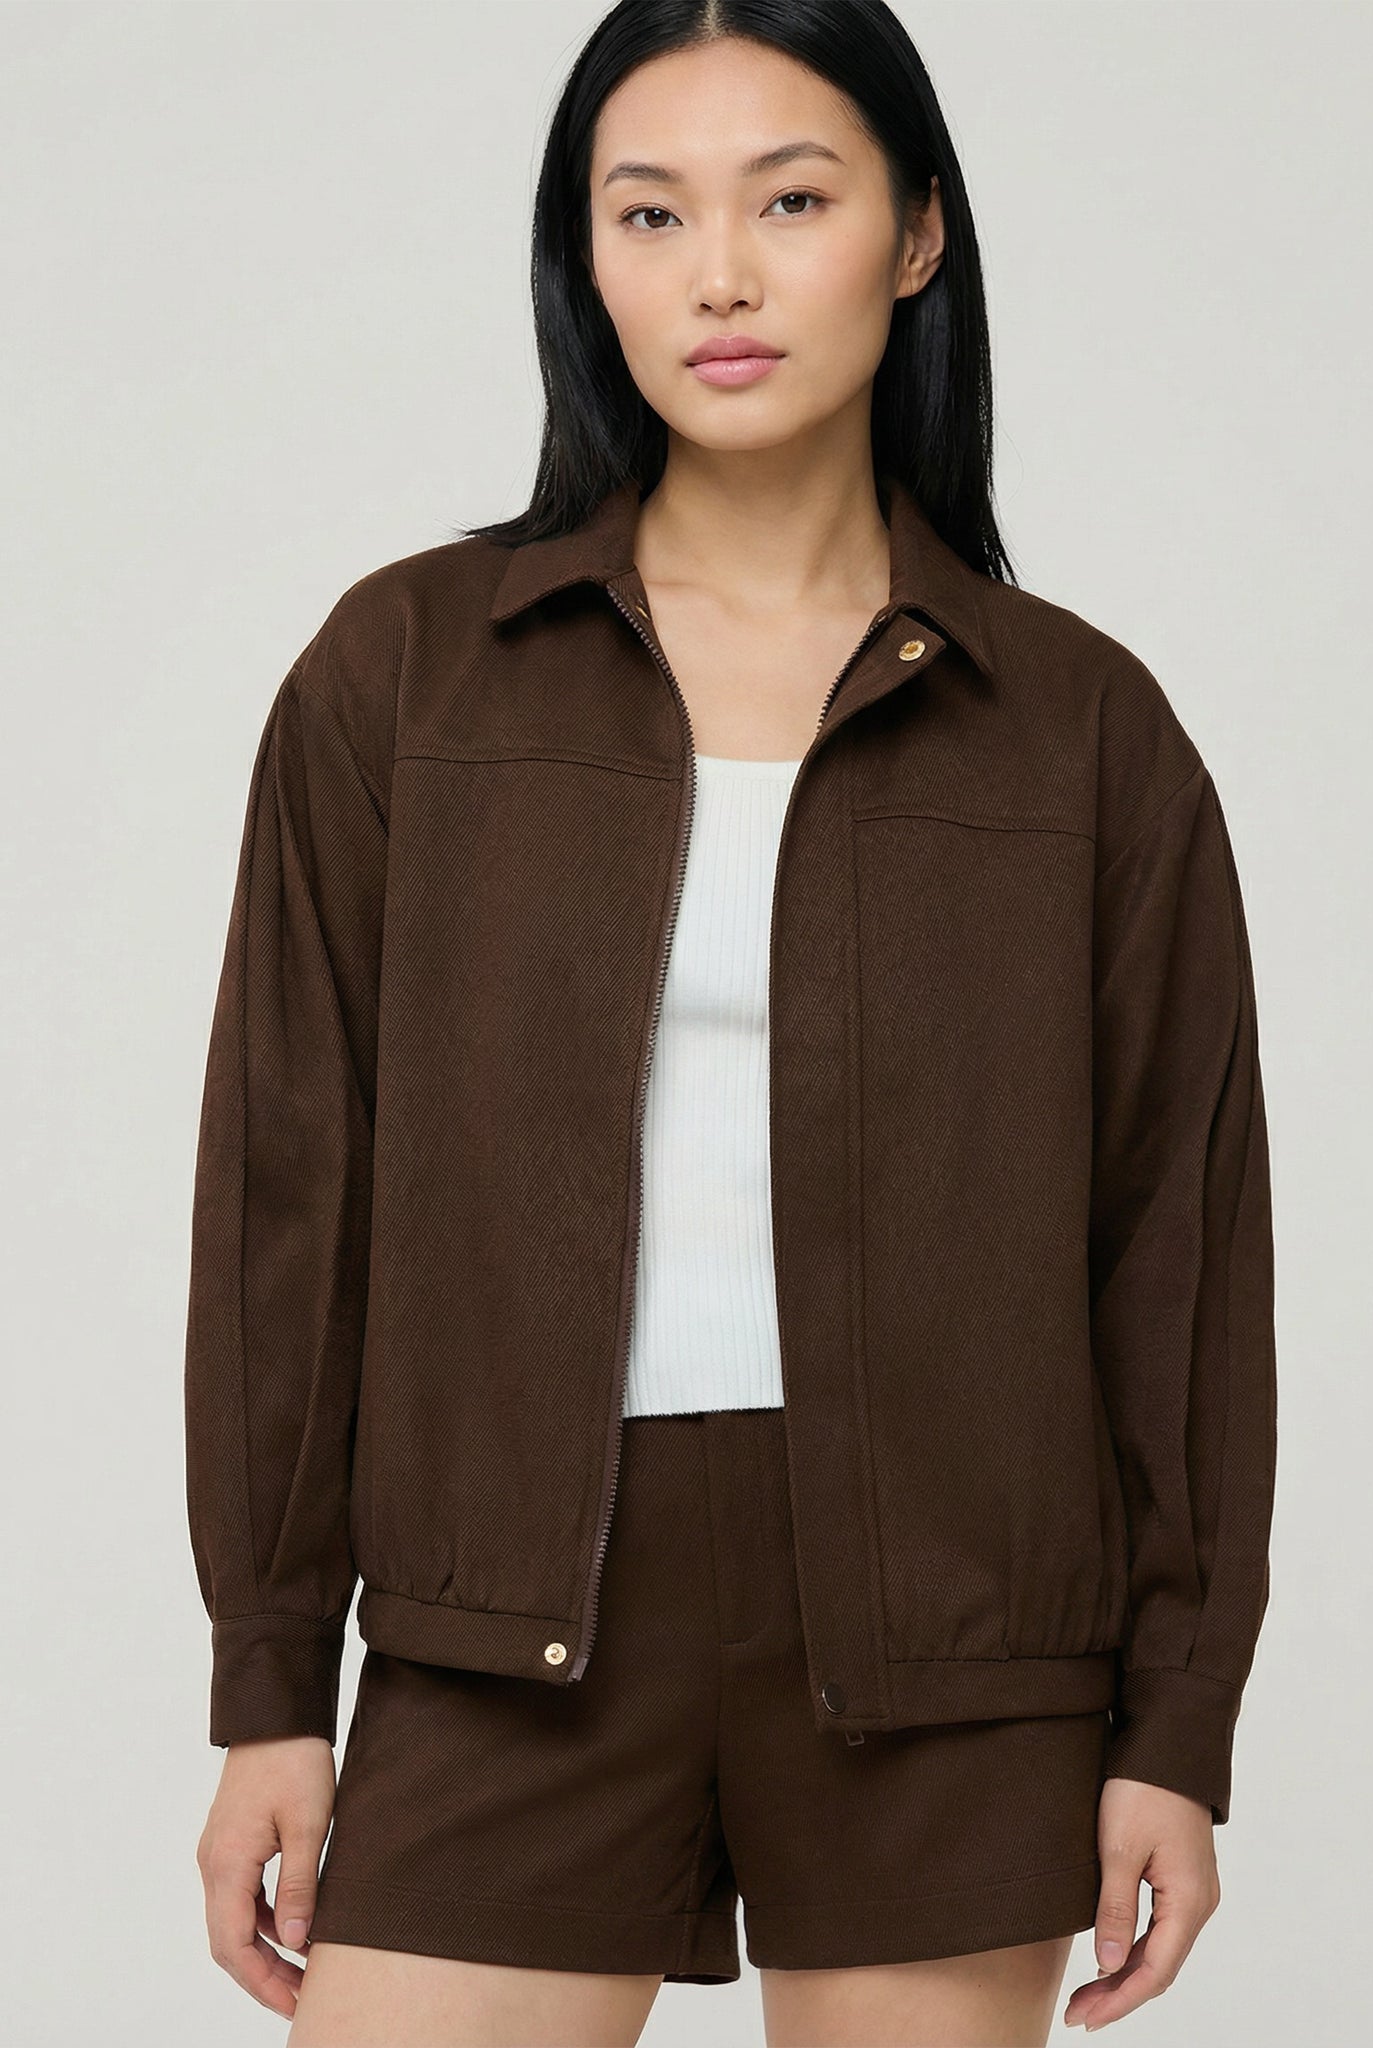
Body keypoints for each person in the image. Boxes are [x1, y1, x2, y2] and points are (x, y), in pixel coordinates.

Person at [184, 4, 1278, 2043]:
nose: (720, 276)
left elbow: (1176, 1252)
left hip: (952, 1641)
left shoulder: (1079, 729)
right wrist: (270, 1680)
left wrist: (1177, 1724)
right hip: (505, 1629)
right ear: (585, 261)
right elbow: (291, 1195)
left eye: (790, 200)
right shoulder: (407, 675)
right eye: (649, 212)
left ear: (916, 234)